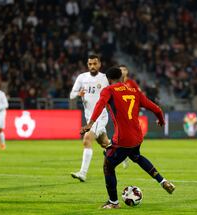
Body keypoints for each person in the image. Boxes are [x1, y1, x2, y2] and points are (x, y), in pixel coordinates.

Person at [81, 66, 175, 209]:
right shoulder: (134, 91)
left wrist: (90, 123)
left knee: (108, 165)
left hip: (122, 139)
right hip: (137, 136)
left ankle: (113, 202)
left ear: (109, 79)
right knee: (136, 156)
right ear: (122, 77)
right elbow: (156, 109)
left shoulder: (108, 90)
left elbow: (100, 105)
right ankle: (163, 181)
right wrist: (161, 120)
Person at [69, 54, 111, 182]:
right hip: (89, 118)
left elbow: (112, 95)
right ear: (88, 65)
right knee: (105, 144)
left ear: (99, 64)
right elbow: (71, 95)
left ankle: (83, 173)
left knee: (87, 139)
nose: (92, 66)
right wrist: (78, 93)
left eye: (94, 64)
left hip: (100, 117)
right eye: (90, 64)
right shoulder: (82, 77)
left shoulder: (104, 79)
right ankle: (123, 154)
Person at [118, 64, 141, 169]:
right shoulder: (115, 83)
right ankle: (125, 155)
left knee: (128, 134)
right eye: (121, 70)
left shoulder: (131, 83)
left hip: (130, 114)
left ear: (127, 72)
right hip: (119, 113)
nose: (123, 71)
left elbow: (139, 94)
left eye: (124, 70)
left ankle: (126, 154)